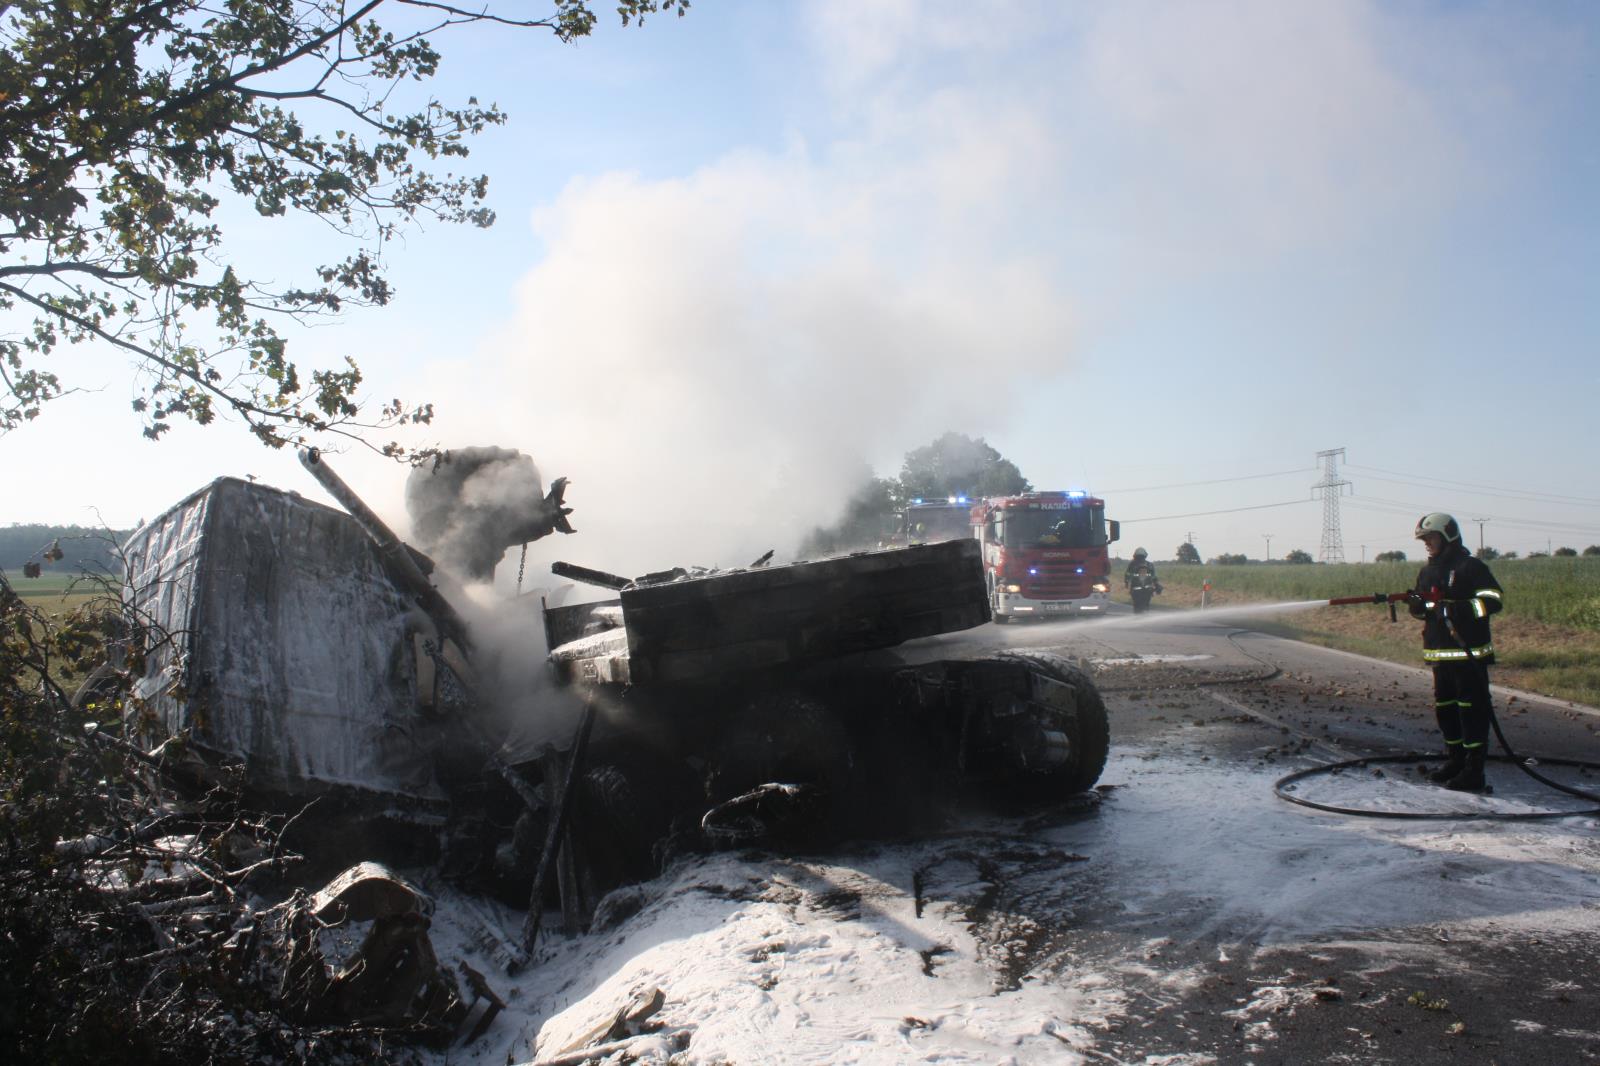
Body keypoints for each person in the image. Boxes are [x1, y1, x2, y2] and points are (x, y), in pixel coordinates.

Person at [1409, 512, 1503, 791]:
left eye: (1431, 538)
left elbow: (1493, 600)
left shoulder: (1470, 567)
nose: (1427, 544)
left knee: (1472, 713)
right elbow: (1426, 610)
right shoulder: (1427, 572)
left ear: (1448, 536)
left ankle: (1474, 771)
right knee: (1446, 711)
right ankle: (1456, 761)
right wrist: (1417, 605)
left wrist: (1457, 608)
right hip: (1441, 657)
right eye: (1424, 540)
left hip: (1469, 657)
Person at [1124, 548, 1162, 612]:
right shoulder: (1135, 564)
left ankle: (1143, 610)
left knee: (1141, 603)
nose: (1140, 558)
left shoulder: (1134, 564)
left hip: (1143, 587)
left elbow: (1154, 576)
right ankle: (1143, 610)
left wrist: (1126, 582)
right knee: (1141, 603)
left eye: (1141, 557)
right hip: (1140, 587)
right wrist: (1127, 581)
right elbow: (1128, 574)